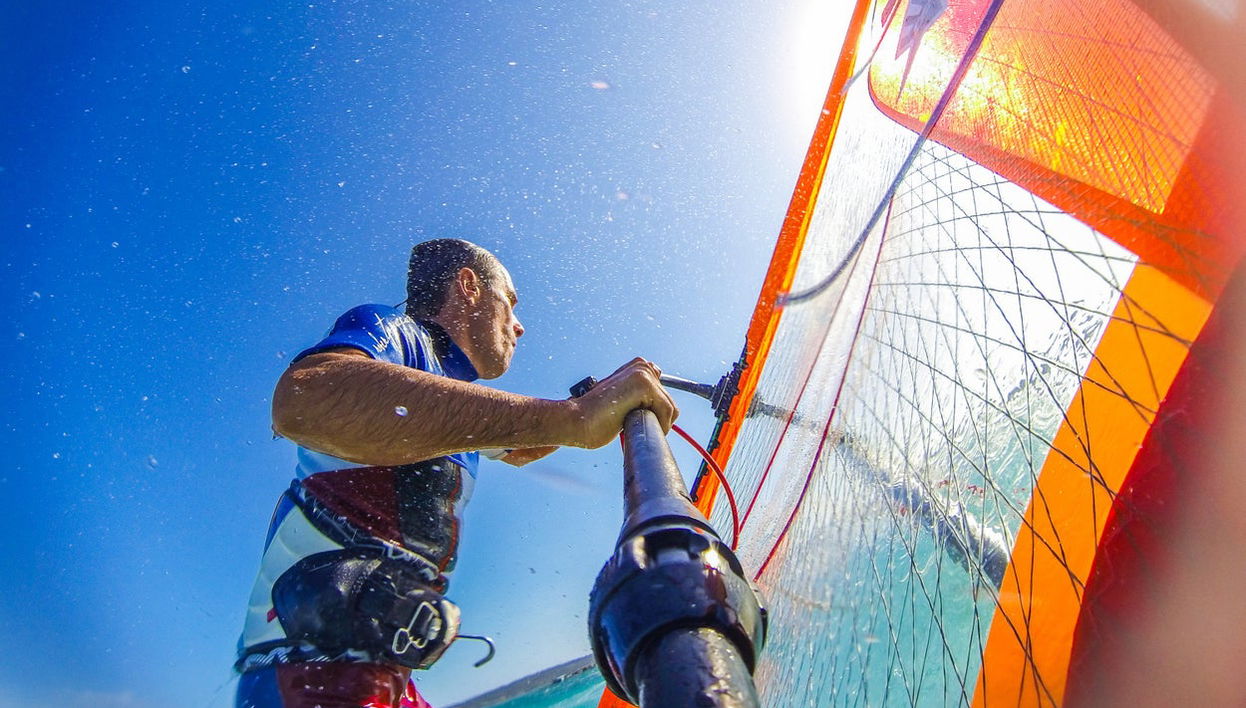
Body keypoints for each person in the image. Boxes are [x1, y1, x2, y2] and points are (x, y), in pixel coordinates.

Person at [234, 238, 678, 708]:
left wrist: (604, 397)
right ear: (468, 285)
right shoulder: (394, 332)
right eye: (510, 301)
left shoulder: (455, 406)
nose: (520, 326)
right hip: (307, 673)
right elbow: (304, 399)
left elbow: (527, 446)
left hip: (383, 674)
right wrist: (573, 416)